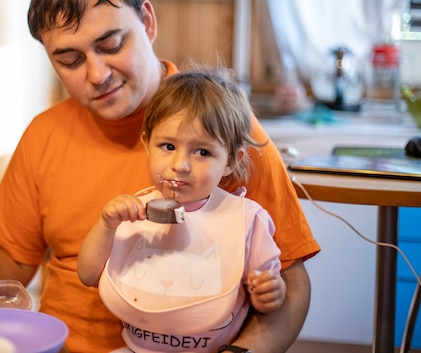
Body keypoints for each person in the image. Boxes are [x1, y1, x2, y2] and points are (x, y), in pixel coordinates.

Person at [0, 0, 320, 353]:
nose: (97, 75)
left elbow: (290, 278)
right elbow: (12, 258)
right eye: (69, 60)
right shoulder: (45, 133)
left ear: (148, 21)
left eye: (111, 43)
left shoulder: (221, 129)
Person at [78, 70, 286, 353]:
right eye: (168, 146)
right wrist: (106, 225)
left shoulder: (246, 219)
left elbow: (269, 292)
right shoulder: (131, 212)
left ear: (230, 161)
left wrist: (270, 293)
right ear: (147, 146)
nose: (180, 165)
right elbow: (88, 275)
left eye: (202, 152)